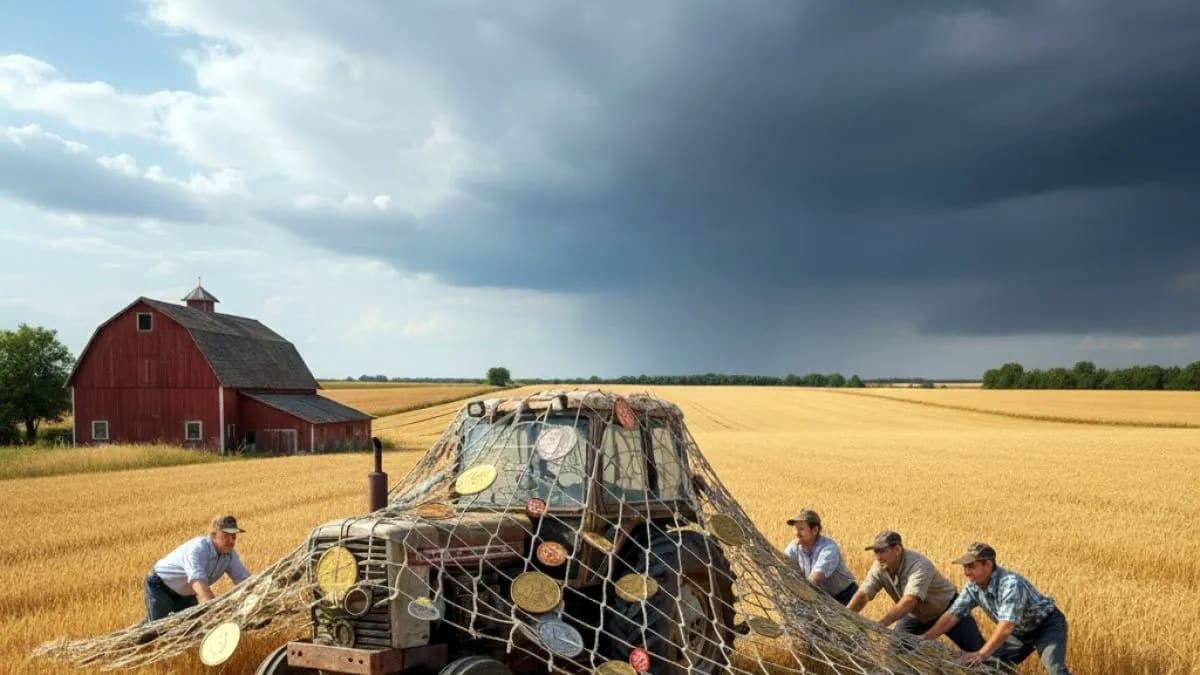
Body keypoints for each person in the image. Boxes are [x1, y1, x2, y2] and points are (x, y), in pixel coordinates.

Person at [920, 542, 1070, 674]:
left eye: (971, 566)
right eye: (965, 567)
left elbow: (1006, 626)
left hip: (1046, 625)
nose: (966, 572)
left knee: (1055, 668)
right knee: (991, 666)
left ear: (988, 565)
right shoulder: (973, 587)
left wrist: (981, 654)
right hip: (1019, 633)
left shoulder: (1010, 584)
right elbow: (953, 615)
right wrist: (924, 639)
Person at [846, 531, 984, 651]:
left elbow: (909, 601)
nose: (878, 556)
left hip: (947, 610)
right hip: (915, 615)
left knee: (978, 653)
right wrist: (845, 616)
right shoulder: (879, 567)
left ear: (897, 550)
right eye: (876, 551)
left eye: (882, 551)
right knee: (896, 651)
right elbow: (863, 594)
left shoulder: (919, 565)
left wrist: (881, 625)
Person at [144, 514, 251, 622]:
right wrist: (216, 611)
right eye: (227, 535)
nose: (231, 541)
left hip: (187, 594)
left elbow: (244, 580)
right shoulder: (198, 549)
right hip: (161, 586)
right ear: (213, 535)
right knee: (158, 630)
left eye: (234, 536)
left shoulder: (230, 555)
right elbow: (198, 582)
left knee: (190, 628)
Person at [782, 509, 858, 605]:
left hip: (844, 596)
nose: (797, 533)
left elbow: (816, 579)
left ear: (815, 530)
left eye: (801, 529)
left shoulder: (829, 548)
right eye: (795, 529)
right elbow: (782, 564)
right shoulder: (794, 547)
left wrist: (799, 596)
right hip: (820, 595)